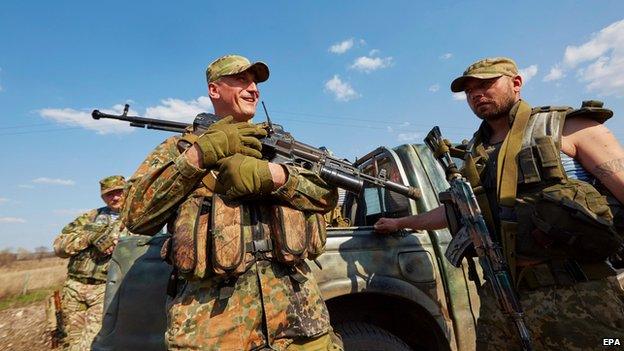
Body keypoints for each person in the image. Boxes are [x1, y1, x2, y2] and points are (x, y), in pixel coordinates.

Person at [375, 57, 624, 350]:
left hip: (579, 295)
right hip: (501, 299)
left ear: (516, 83)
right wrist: (400, 222)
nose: (476, 95)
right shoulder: (474, 155)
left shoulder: (567, 127)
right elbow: (458, 209)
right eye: (469, 91)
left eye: (485, 84)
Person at [121, 54, 343, 350]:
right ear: (215, 90)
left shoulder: (278, 145)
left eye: (255, 82)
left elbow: (326, 197)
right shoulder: (181, 147)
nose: (253, 89)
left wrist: (275, 175)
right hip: (217, 332)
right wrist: (200, 156)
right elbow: (136, 214)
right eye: (241, 80)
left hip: (301, 323)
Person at [53, 175, 132, 351]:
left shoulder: (136, 220)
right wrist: (89, 237)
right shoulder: (90, 217)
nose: (115, 197)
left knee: (92, 343)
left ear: (127, 192)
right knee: (69, 342)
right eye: (109, 194)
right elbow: (59, 246)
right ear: (103, 197)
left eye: (119, 192)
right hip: (74, 287)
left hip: (104, 289)